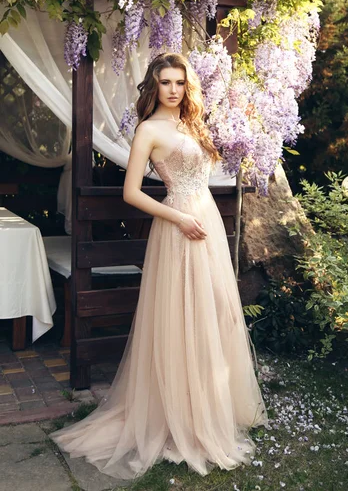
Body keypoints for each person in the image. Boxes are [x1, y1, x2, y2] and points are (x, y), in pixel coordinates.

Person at [50, 52, 268, 480]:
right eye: (165, 82)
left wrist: (197, 216)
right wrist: (179, 218)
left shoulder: (192, 125)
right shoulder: (148, 130)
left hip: (203, 221)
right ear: (154, 86)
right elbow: (132, 192)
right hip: (178, 226)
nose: (173, 89)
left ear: (188, 87)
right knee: (180, 315)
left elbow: (203, 176)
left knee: (208, 313)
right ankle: (177, 416)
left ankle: (207, 404)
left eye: (180, 83)